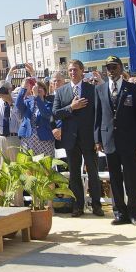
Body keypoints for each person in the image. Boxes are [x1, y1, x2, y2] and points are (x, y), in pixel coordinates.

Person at [94, 56, 136, 226]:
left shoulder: (132, 88)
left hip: (129, 140)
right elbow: (98, 116)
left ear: (121, 68)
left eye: (114, 67)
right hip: (109, 139)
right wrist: (97, 139)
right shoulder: (100, 89)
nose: (111, 70)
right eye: (108, 67)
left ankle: (134, 213)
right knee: (115, 179)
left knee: (131, 178)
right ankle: (119, 212)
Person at [53, 60, 104, 217]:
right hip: (71, 139)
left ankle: (96, 205)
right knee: (74, 175)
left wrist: (98, 139)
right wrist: (71, 108)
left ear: (82, 71)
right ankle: (78, 206)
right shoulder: (61, 92)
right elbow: (55, 113)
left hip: (89, 139)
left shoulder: (92, 90)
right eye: (70, 70)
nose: (72, 73)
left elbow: (98, 115)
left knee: (93, 173)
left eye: (75, 70)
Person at [0, 82, 24, 173]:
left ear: (10, 90)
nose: (2, 92)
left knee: (16, 170)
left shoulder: (17, 102)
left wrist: (11, 102)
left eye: (4, 89)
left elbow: (20, 118)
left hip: (13, 138)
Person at [17, 81, 56, 158]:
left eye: (40, 88)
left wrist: (37, 97)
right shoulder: (27, 102)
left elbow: (46, 114)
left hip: (44, 140)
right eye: (35, 87)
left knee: (45, 167)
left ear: (45, 92)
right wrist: (23, 88)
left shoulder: (49, 104)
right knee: (28, 166)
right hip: (28, 139)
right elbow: (18, 104)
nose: (37, 89)